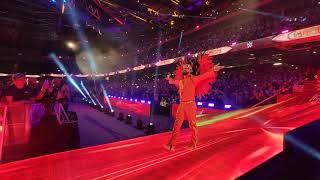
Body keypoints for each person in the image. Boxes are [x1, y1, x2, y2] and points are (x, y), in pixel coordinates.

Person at [164, 57, 224, 151]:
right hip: (181, 105)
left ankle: (193, 144)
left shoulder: (194, 79)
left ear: (191, 70)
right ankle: (171, 145)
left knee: (193, 125)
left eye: (187, 68)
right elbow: (172, 81)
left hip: (190, 105)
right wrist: (169, 79)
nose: (185, 69)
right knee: (176, 125)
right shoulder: (180, 82)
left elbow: (206, 76)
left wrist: (213, 70)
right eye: (184, 68)